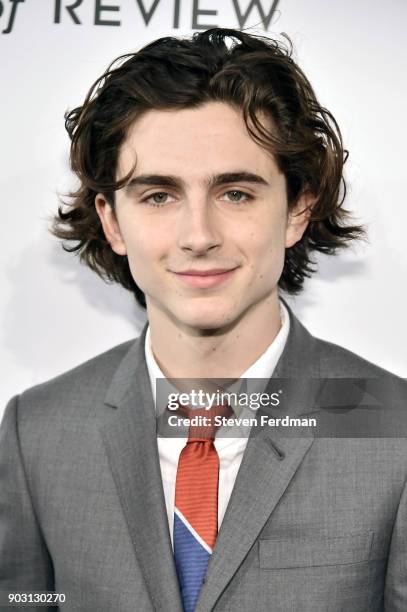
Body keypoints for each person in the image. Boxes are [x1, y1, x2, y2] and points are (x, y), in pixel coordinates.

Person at [0, 27, 406, 612]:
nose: (198, 236)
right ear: (112, 222)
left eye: (235, 193)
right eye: (158, 195)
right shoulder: (36, 433)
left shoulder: (397, 432)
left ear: (298, 209)